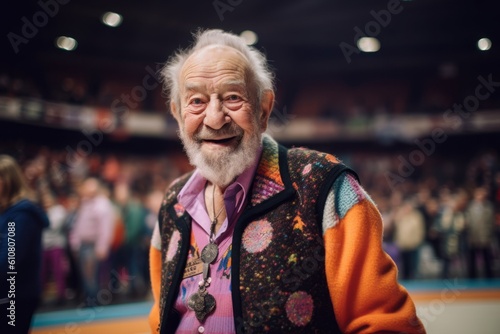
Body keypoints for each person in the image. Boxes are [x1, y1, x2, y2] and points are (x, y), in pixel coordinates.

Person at [149, 29, 425, 333]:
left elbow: (387, 324)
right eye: (197, 101)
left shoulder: (324, 187)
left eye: (232, 98)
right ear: (177, 114)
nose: (214, 119)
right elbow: (161, 319)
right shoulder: (172, 205)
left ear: (264, 109)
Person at [0, 155, 49, 333]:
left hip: (15, 295)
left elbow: (8, 260)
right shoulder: (6, 213)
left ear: (7, 181)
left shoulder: (21, 216)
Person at [69, 177, 115, 306]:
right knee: (85, 275)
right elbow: (77, 226)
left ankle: (93, 301)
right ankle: (89, 299)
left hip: (92, 245)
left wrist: (102, 247)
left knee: (91, 276)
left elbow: (105, 228)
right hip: (83, 245)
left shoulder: (102, 205)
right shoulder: (84, 203)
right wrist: (75, 243)